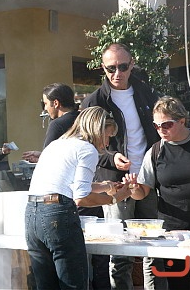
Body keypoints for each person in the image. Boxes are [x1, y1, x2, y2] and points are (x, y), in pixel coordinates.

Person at [81, 43, 164, 290]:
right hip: (116, 183)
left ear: (132, 64)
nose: (117, 73)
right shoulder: (94, 101)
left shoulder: (147, 93)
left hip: (147, 179)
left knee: (154, 247)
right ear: (103, 68)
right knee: (120, 251)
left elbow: (159, 132)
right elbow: (87, 146)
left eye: (123, 66)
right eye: (111, 68)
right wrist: (113, 156)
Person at [25, 106, 133, 289]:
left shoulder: (57, 144)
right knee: (73, 284)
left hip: (32, 215)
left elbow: (68, 185)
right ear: (97, 130)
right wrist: (114, 199)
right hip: (56, 215)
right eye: (107, 136)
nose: (107, 143)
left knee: (45, 285)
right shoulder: (87, 149)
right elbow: (81, 198)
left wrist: (106, 186)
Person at [124, 96, 190, 290]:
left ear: (182, 121)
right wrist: (133, 188)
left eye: (167, 125)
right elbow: (142, 193)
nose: (161, 130)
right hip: (174, 232)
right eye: (156, 126)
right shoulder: (156, 151)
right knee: (179, 285)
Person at [22, 83, 79, 163]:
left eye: (45, 104)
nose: (45, 108)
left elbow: (49, 157)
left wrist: (43, 157)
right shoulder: (85, 119)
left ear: (56, 103)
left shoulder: (57, 125)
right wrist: (41, 155)